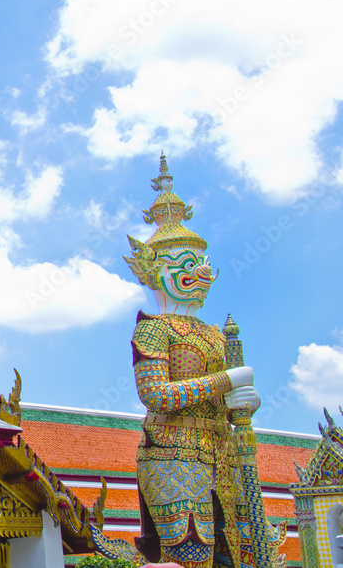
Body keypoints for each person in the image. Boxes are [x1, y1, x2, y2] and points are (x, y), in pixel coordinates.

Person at [124, 155, 260, 568]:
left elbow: (228, 401)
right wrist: (226, 381)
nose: (200, 275)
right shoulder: (152, 329)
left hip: (224, 452)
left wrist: (245, 404)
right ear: (153, 270)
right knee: (190, 556)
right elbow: (156, 395)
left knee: (236, 555)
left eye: (202, 265)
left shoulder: (216, 334)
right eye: (186, 266)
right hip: (173, 454)